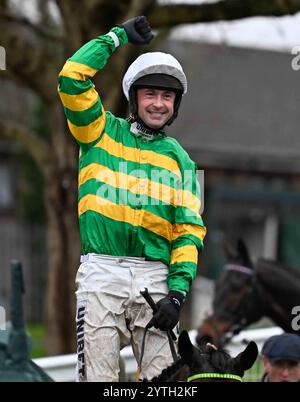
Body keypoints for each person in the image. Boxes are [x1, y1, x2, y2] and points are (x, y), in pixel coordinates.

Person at [58, 16, 206, 382]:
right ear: (133, 98)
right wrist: (116, 36)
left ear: (176, 104)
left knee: (165, 384)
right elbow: (71, 78)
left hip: (155, 280)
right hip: (101, 274)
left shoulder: (181, 160)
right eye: (150, 94)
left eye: (167, 96)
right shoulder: (97, 130)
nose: (159, 103)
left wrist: (177, 294)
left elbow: (189, 230)